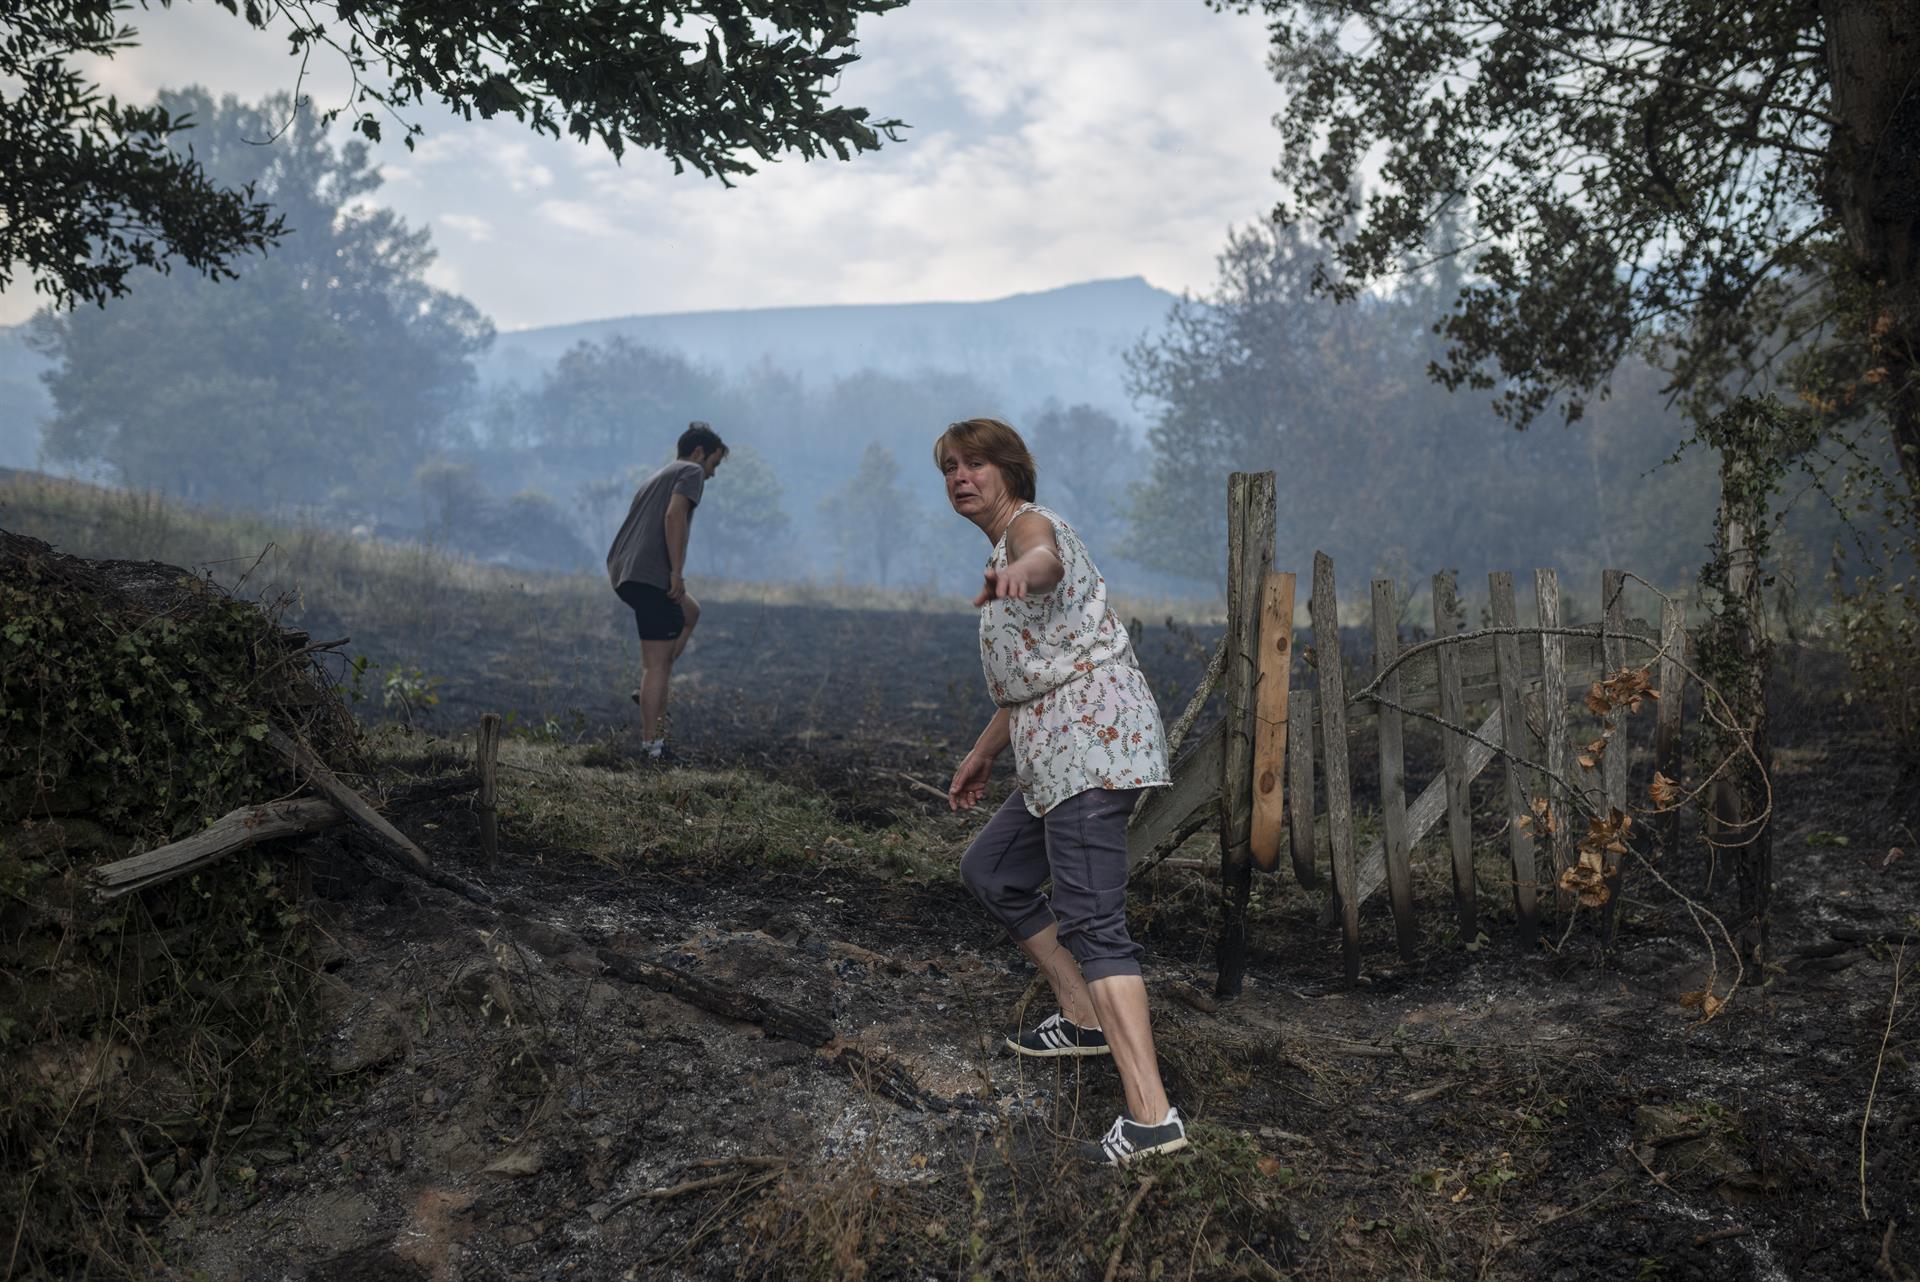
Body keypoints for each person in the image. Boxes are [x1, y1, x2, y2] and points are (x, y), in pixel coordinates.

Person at [939, 416, 1186, 1166]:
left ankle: (1152, 1120)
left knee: (1093, 922)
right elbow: (1034, 675)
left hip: (1089, 745)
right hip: (1056, 751)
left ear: (1009, 469)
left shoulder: (1031, 529)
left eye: (975, 463)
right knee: (993, 871)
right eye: (949, 467)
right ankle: (1082, 1017)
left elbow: (1042, 558)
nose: (960, 477)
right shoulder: (1002, 548)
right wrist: (982, 755)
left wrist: (1025, 570)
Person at [606, 422, 726, 760]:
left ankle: (649, 690)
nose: (713, 473)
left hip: (625, 570)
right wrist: (676, 572)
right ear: (699, 453)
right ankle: (653, 749)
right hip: (649, 575)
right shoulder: (691, 471)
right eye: (714, 463)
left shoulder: (658, 475)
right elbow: (674, 517)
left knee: (691, 612)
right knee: (657, 666)